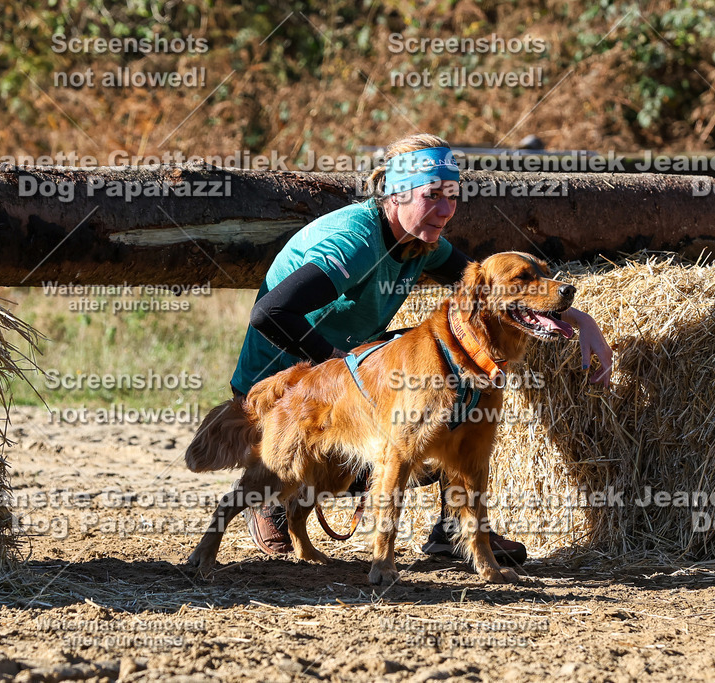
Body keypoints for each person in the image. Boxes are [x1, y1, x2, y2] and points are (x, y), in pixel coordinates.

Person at [229, 132, 613, 566]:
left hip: (350, 387)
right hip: (285, 397)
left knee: (456, 372)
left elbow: (482, 290)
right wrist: (343, 364)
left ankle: (454, 532)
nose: (446, 210)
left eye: (453, 197)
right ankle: (274, 499)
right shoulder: (355, 241)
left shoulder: (420, 240)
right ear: (395, 193)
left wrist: (578, 320)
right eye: (433, 195)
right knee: (419, 388)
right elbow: (270, 313)